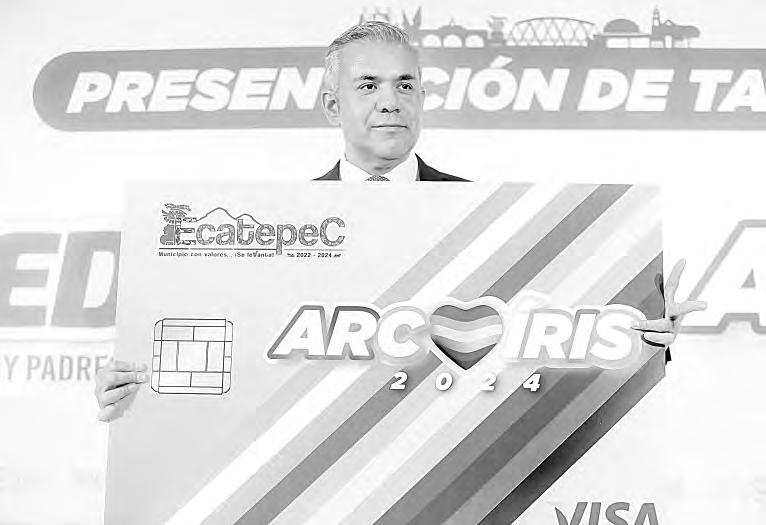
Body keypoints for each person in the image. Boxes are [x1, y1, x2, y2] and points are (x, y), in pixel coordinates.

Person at [94, 21, 706, 422]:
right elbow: (245, 356)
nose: (390, 100)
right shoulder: (275, 230)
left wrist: (640, 333)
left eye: (405, 85)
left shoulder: (495, 219)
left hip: (452, 471)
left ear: (421, 99)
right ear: (332, 104)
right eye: (368, 85)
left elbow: (549, 344)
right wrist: (138, 389)